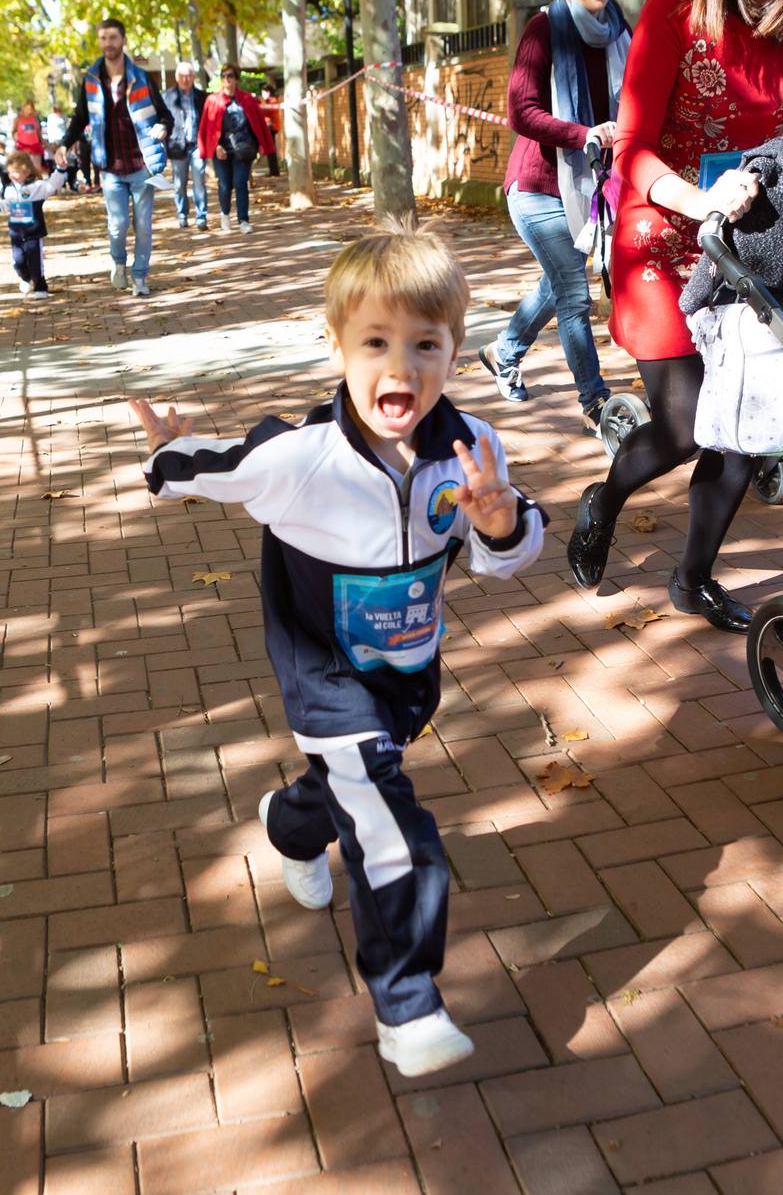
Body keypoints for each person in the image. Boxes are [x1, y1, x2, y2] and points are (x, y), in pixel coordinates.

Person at [128, 221, 545, 1078]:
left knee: (354, 783)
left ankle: (288, 825)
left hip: (407, 677)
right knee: (393, 822)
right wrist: (163, 450)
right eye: (378, 342)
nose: (403, 366)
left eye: (426, 344)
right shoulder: (300, 457)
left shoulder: (470, 450)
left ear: (455, 349)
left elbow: (507, 553)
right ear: (339, 345)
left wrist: (501, 524)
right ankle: (408, 1003)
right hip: (322, 675)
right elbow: (209, 467)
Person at [565, 0, 783, 633]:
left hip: (747, 248)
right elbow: (633, 146)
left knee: (745, 428)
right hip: (657, 238)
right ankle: (603, 498)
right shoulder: (671, 10)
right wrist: (701, 197)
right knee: (684, 429)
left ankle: (693, 577)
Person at [479, 0, 628, 435]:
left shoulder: (617, 31)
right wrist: (583, 131)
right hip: (538, 187)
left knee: (557, 282)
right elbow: (522, 112)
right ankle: (596, 402)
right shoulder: (544, 31)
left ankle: (504, 350)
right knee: (573, 293)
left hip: (587, 188)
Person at [57, 17, 174, 298]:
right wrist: (64, 144)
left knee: (143, 226)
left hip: (142, 165)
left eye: (112, 37)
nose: (107, 43)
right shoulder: (90, 80)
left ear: (123, 40)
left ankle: (140, 276)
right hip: (109, 167)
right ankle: (119, 262)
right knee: (118, 224)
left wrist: (163, 126)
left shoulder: (142, 77)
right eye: (103, 38)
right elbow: (80, 118)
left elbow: (164, 114)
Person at [197, 64, 274, 234]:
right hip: (222, 151)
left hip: (243, 149)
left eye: (230, 75)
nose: (226, 79)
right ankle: (225, 215)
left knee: (240, 183)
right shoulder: (212, 100)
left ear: (236, 78)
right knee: (225, 185)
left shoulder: (247, 99)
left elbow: (257, 123)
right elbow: (207, 127)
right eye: (223, 75)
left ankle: (243, 220)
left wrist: (260, 145)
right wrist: (215, 147)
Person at [0, 148, 69, 299]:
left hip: (34, 232)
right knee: (17, 261)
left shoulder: (37, 187)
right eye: (10, 172)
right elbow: (7, 204)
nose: (12, 175)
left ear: (26, 171)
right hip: (16, 232)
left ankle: (40, 287)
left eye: (16, 172)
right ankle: (26, 278)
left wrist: (61, 168)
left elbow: (53, 184)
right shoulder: (8, 189)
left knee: (35, 261)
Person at [165, 61, 208, 230]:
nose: (185, 79)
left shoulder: (201, 97)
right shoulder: (167, 97)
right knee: (179, 185)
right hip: (177, 146)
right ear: (177, 77)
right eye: (182, 76)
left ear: (193, 77)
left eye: (189, 76)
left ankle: (201, 217)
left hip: (197, 145)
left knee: (199, 182)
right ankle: (182, 214)